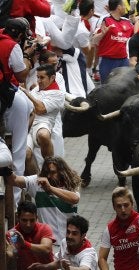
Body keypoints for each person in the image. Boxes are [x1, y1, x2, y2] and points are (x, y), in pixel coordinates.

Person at [0, 17, 37, 203]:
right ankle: (13, 203)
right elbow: (21, 73)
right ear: (21, 35)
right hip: (6, 99)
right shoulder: (12, 46)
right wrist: (29, 56)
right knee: (19, 151)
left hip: (7, 96)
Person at [6, 156, 82, 245]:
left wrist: (50, 188)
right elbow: (14, 180)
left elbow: (74, 199)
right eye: (47, 172)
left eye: (53, 172)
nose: (49, 176)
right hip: (49, 242)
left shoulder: (71, 184)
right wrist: (5, 169)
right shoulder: (37, 182)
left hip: (70, 242)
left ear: (62, 172)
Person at [98, 186, 139, 270]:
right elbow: (102, 258)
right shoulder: (109, 229)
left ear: (132, 204)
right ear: (114, 207)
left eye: (126, 205)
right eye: (119, 206)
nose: (123, 210)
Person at [21, 64, 65, 159]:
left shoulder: (58, 94)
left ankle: (49, 166)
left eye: (42, 77)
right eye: (37, 77)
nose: (39, 81)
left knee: (43, 135)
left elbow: (40, 109)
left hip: (43, 124)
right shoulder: (37, 88)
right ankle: (35, 174)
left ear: (52, 77)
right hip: (27, 124)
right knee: (26, 154)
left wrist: (27, 93)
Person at [27, 215, 98, 270]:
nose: (69, 236)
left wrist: (69, 268)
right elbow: (59, 263)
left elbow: (84, 268)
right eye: (68, 232)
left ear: (83, 236)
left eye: (74, 233)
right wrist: (42, 267)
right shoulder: (65, 242)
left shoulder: (88, 253)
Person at [92, 0, 134, 83]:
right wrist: (102, 34)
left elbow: (135, 36)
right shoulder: (105, 20)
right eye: (124, 6)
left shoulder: (127, 22)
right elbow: (94, 40)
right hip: (108, 61)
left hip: (123, 61)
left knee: (123, 88)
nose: (125, 8)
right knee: (106, 88)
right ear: (119, 7)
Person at [6, 201, 55, 270]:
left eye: (32, 220)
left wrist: (24, 244)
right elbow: (10, 254)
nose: (28, 225)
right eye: (24, 220)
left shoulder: (44, 228)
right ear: (18, 217)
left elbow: (46, 249)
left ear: (36, 218)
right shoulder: (11, 234)